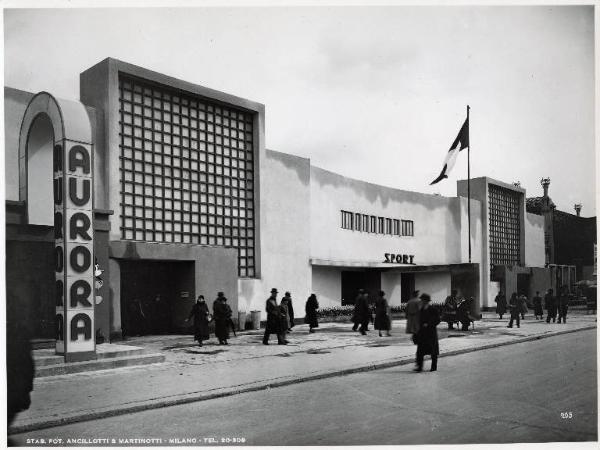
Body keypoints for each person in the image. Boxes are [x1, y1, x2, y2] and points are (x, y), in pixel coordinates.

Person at [414, 293, 440, 372]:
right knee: (420, 351)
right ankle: (419, 366)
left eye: (422, 300)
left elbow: (438, 320)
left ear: (426, 301)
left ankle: (434, 366)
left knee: (433, 351)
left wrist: (429, 324)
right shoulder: (421, 310)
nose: (421, 301)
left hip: (431, 333)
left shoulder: (433, 310)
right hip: (422, 333)